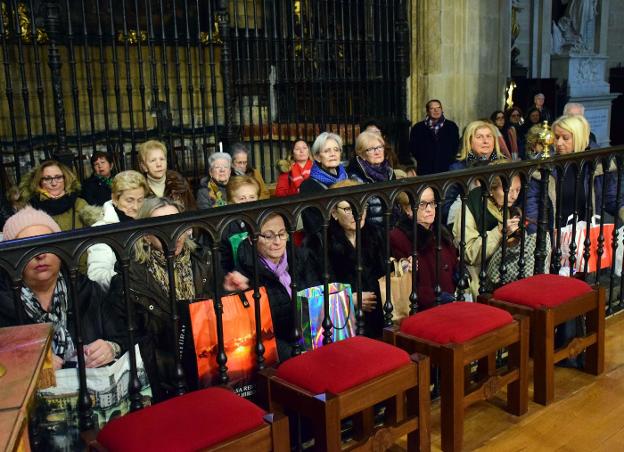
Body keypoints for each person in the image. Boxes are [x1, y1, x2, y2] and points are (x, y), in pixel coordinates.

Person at [108, 197, 213, 400]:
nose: (173, 234)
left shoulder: (205, 260)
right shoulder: (130, 277)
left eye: (177, 224)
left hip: (207, 365)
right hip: (162, 377)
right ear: (146, 236)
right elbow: (125, 333)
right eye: (162, 227)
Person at [0, 207, 124, 370]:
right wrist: (27, 360)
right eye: (27, 248)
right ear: (12, 259)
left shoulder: (85, 288)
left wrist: (112, 347)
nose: (40, 255)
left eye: (46, 243)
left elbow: (124, 333)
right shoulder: (3, 302)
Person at [301, 180, 385, 338]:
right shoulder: (316, 244)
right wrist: (347, 300)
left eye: (362, 206)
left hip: (379, 321)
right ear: (333, 212)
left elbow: (387, 274)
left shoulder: (376, 233)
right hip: (341, 327)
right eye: (348, 209)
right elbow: (312, 296)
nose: (357, 213)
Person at [224, 213, 311, 361]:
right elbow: (257, 334)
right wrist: (294, 354)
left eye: (282, 234)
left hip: (311, 342)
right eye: (268, 236)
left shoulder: (300, 257)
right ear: (252, 239)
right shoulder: (245, 274)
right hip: (277, 356)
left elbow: (317, 302)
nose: (277, 241)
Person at [453, 173, 522, 299]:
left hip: (506, 272)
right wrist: (499, 232)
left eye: (518, 190)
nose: (514, 196)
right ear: (491, 189)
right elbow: (468, 254)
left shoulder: (508, 207)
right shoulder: (470, 205)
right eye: (509, 190)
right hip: (479, 278)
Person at [390, 188, 458, 310]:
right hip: (426, 310)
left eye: (432, 203)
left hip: (452, 302)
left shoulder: (440, 230)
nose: (429, 209)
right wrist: (436, 297)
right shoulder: (398, 238)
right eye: (422, 204)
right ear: (408, 209)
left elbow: (453, 262)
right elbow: (405, 284)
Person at [87, 170, 149, 290]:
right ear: (115, 199)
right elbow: (97, 276)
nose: (136, 207)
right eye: (129, 200)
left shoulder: (148, 219)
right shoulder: (101, 230)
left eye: (140, 200)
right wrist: (130, 279)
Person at [443, 120, 507, 225]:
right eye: (479, 137)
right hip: (469, 225)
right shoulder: (458, 168)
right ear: (469, 141)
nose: (485, 141)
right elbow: (446, 207)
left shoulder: (503, 164)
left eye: (489, 136)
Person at [18, 160, 97, 232]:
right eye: (47, 178)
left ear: (65, 179)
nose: (54, 183)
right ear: (39, 182)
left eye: (58, 177)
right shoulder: (30, 208)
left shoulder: (79, 204)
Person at [299, 132, 349, 235]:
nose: (333, 154)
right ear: (317, 157)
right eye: (327, 151)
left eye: (336, 150)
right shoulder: (308, 186)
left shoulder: (348, 178)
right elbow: (313, 225)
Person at [347, 130, 395, 225]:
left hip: (390, 225)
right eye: (371, 149)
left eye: (379, 147)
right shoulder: (355, 177)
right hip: (371, 230)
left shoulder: (389, 171)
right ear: (361, 154)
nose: (377, 152)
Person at [219, 175, 261, 274]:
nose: (248, 202)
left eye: (252, 197)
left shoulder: (263, 221)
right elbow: (224, 263)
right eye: (242, 198)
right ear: (231, 203)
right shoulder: (225, 228)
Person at [407, 99, 460, 175]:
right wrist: (423, 159)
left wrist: (448, 159)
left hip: (446, 169)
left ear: (442, 110)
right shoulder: (418, 128)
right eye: (432, 108)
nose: (436, 111)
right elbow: (413, 147)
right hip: (425, 169)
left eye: (438, 108)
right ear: (428, 111)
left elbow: (455, 146)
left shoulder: (451, 126)